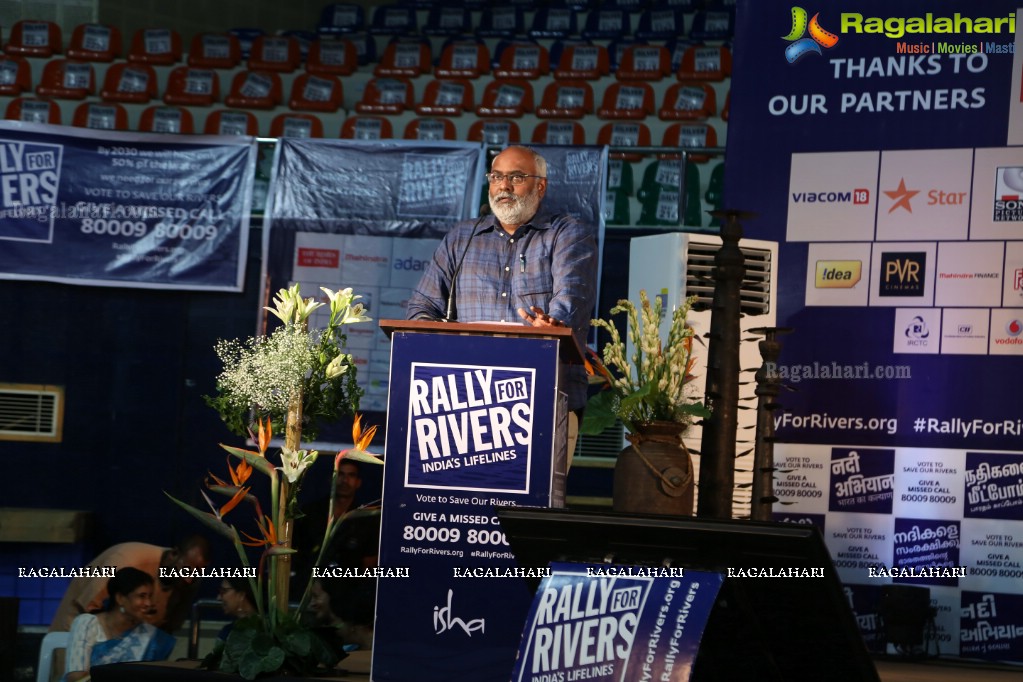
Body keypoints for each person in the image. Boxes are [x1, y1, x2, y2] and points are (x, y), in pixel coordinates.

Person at [406, 144, 599, 458]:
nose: (504, 186)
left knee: (527, 506)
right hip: (463, 401)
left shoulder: (566, 234)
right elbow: (420, 308)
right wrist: (438, 340)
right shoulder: (462, 238)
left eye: (516, 177)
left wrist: (551, 326)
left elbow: (572, 298)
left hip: (542, 398)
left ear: (540, 185)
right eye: (496, 176)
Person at [50, 535, 212, 634]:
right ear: (174, 554)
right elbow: (90, 608)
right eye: (186, 570)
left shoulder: (191, 579)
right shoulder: (127, 560)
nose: (189, 578)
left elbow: (168, 628)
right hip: (78, 630)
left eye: (196, 574)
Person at [63, 567, 175, 681]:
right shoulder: (87, 623)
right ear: (120, 598)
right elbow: (76, 677)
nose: (148, 603)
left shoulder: (151, 637)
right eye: (142, 596)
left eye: (150, 597)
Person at [215, 575, 257, 641]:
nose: (218, 598)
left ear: (241, 595)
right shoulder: (227, 631)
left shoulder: (266, 632)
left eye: (223, 591)